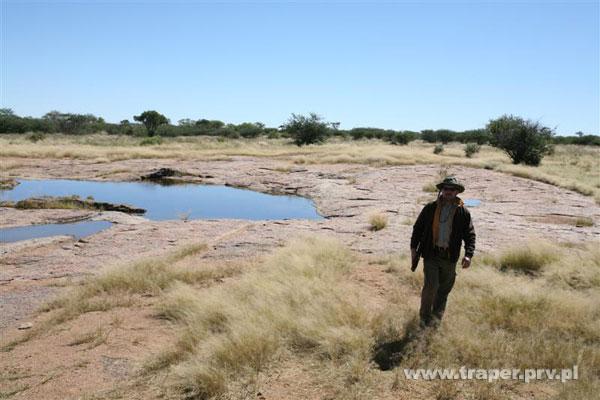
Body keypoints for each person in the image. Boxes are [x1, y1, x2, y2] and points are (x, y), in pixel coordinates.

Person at [410, 176, 476, 327]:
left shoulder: (463, 212)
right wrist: (413, 249)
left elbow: (470, 235)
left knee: (443, 291)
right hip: (431, 254)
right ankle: (423, 319)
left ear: (457, 192)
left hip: (450, 257)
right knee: (431, 287)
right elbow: (418, 229)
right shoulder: (430, 208)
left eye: (452, 189)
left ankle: (435, 322)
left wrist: (468, 255)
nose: (448, 191)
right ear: (441, 190)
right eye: (445, 188)